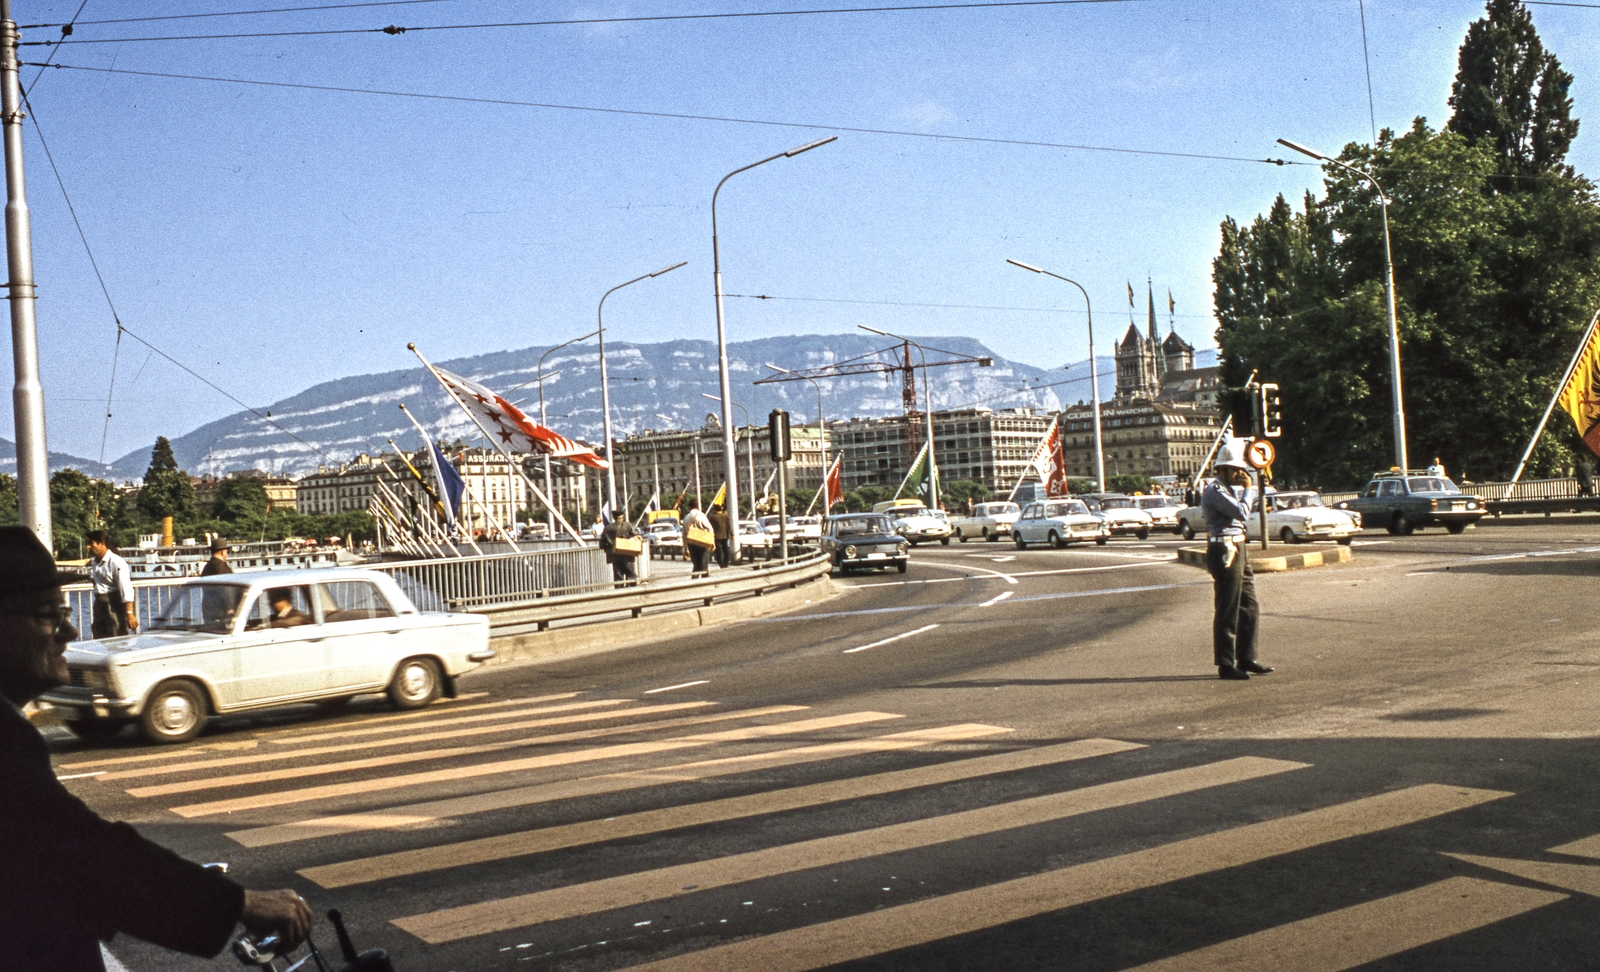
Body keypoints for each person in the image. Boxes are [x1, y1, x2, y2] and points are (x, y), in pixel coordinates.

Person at [0, 526, 312, 971]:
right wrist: (237, 903)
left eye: (64, 611)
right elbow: (87, 854)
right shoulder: (6, 743)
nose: (68, 630)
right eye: (49, 615)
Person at [1200, 439, 1274, 681]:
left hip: (1238, 544)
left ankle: (1246, 657)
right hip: (1225, 548)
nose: (1238, 474)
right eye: (1233, 470)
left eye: (1239, 470)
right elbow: (1242, 512)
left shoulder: (1230, 489)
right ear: (1220, 469)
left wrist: (1245, 491)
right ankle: (1225, 663)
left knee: (1249, 604)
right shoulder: (1215, 491)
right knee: (1228, 606)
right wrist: (1249, 490)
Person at [86, 530, 137, 640]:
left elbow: (125, 587)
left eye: (91, 543)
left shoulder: (116, 562)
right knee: (99, 636)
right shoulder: (95, 562)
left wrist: (129, 613)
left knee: (117, 635)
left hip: (113, 603)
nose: (88, 546)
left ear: (102, 543)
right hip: (99, 603)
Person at [599, 515, 640, 585]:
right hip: (627, 554)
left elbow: (602, 544)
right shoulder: (628, 525)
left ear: (614, 518)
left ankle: (619, 592)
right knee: (631, 575)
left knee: (618, 576)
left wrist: (608, 549)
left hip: (614, 555)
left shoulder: (608, 528)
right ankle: (631, 593)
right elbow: (635, 536)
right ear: (622, 518)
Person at [682, 499, 713, 578]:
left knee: (696, 564)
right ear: (697, 506)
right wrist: (712, 542)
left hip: (691, 543)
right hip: (703, 542)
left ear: (689, 507)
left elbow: (684, 535)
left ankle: (695, 580)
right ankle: (705, 581)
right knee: (704, 563)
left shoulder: (686, 518)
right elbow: (710, 529)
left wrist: (686, 549)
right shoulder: (701, 516)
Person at [708, 503, 733, 568]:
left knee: (719, 551)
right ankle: (726, 563)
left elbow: (710, 527)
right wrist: (732, 535)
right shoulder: (725, 516)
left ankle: (721, 564)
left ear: (715, 509)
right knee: (725, 550)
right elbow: (729, 526)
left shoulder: (713, 517)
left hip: (717, 536)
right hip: (725, 535)